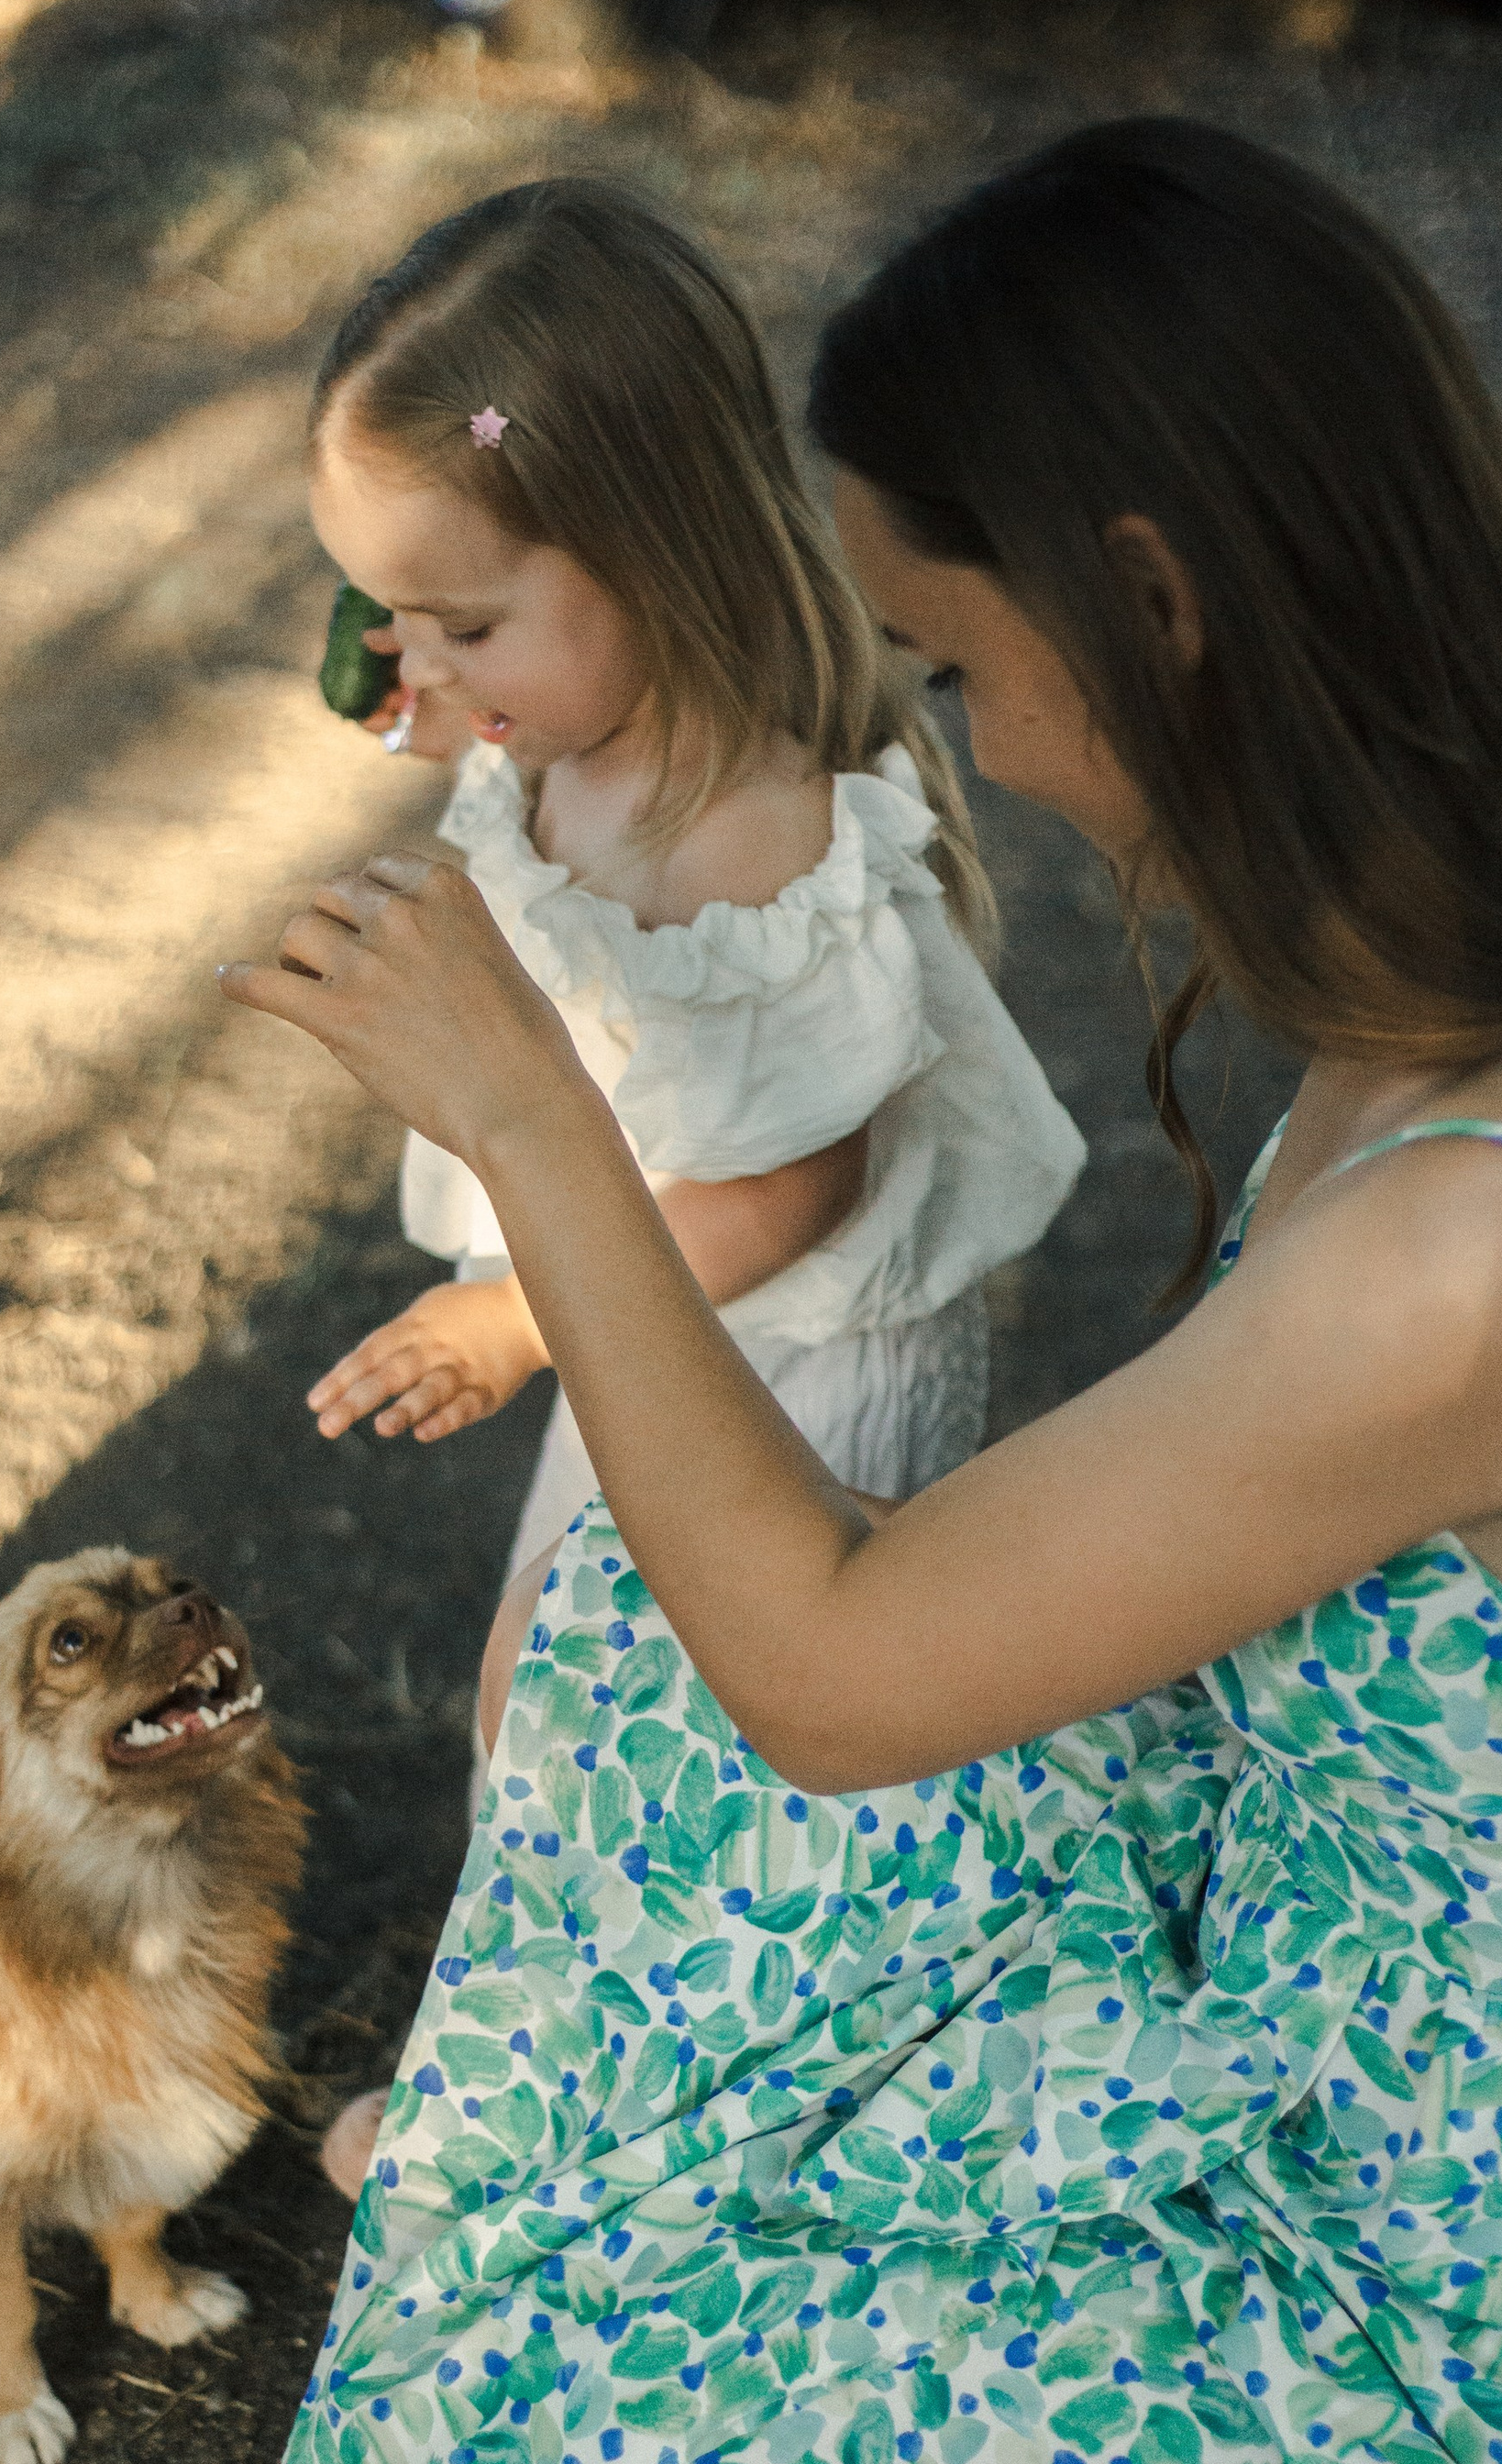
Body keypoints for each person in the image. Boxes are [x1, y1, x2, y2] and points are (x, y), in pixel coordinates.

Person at [221, 118, 1502, 2464]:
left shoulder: (1484, 1231)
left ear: (1159, 598)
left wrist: (529, 1118)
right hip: (1312, 1910)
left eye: (957, 657)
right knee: (625, 1642)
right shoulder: (1490, 974)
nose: (956, 732)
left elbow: (841, 1681)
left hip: (1473, 2239)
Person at [299, 179, 1084, 1586]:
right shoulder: (557, 733)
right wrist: (435, 683)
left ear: (645, 556)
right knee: (555, 1683)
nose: (418, 664)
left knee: (712, 1741)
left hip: (799, 1390)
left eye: (462, 623)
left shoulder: (751, 844)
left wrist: (521, 1322)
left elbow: (790, 1197)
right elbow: (475, 710)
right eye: (386, 615)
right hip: (643, 1325)